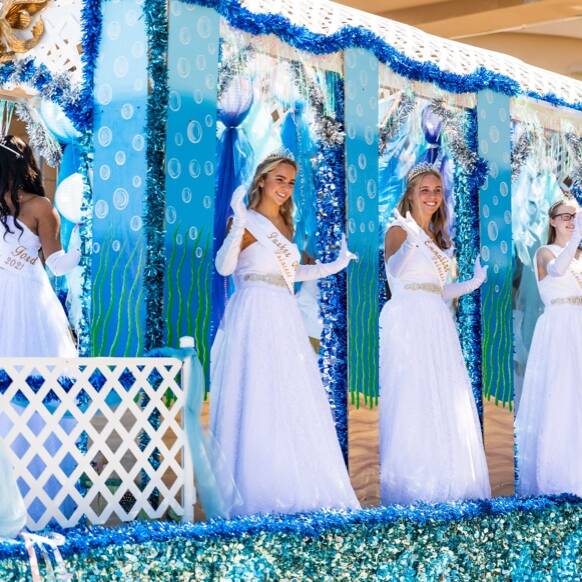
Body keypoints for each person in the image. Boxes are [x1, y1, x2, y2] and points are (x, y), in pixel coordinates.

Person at [210, 154, 360, 516]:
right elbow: (225, 267)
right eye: (279, 179)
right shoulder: (247, 220)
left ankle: (291, 481)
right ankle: (253, 487)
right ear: (261, 180)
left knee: (288, 393)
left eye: (291, 182)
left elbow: (289, 275)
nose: (285, 188)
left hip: (282, 311)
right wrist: (237, 225)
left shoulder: (285, 224)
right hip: (253, 309)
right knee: (256, 390)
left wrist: (333, 266)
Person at [379, 162, 491, 505]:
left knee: (441, 394)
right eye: (424, 190)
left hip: (436, 319)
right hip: (407, 316)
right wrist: (413, 238)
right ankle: (410, 486)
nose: (432, 196)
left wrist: (471, 283)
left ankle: (446, 480)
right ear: (411, 194)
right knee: (412, 392)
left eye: (437, 190)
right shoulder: (398, 229)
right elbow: (395, 273)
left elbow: (437, 289)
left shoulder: (439, 237)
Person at [516, 196, 582, 497]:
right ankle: (558, 476)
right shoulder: (545, 252)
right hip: (558, 327)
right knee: (561, 394)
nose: (571, 220)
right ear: (552, 220)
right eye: (565, 215)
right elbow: (556, 271)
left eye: (576, 215)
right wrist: (576, 239)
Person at [0, 135, 79, 357]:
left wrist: (82, 243)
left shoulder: (39, 207)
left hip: (28, 298)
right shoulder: (36, 206)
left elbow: (58, 266)